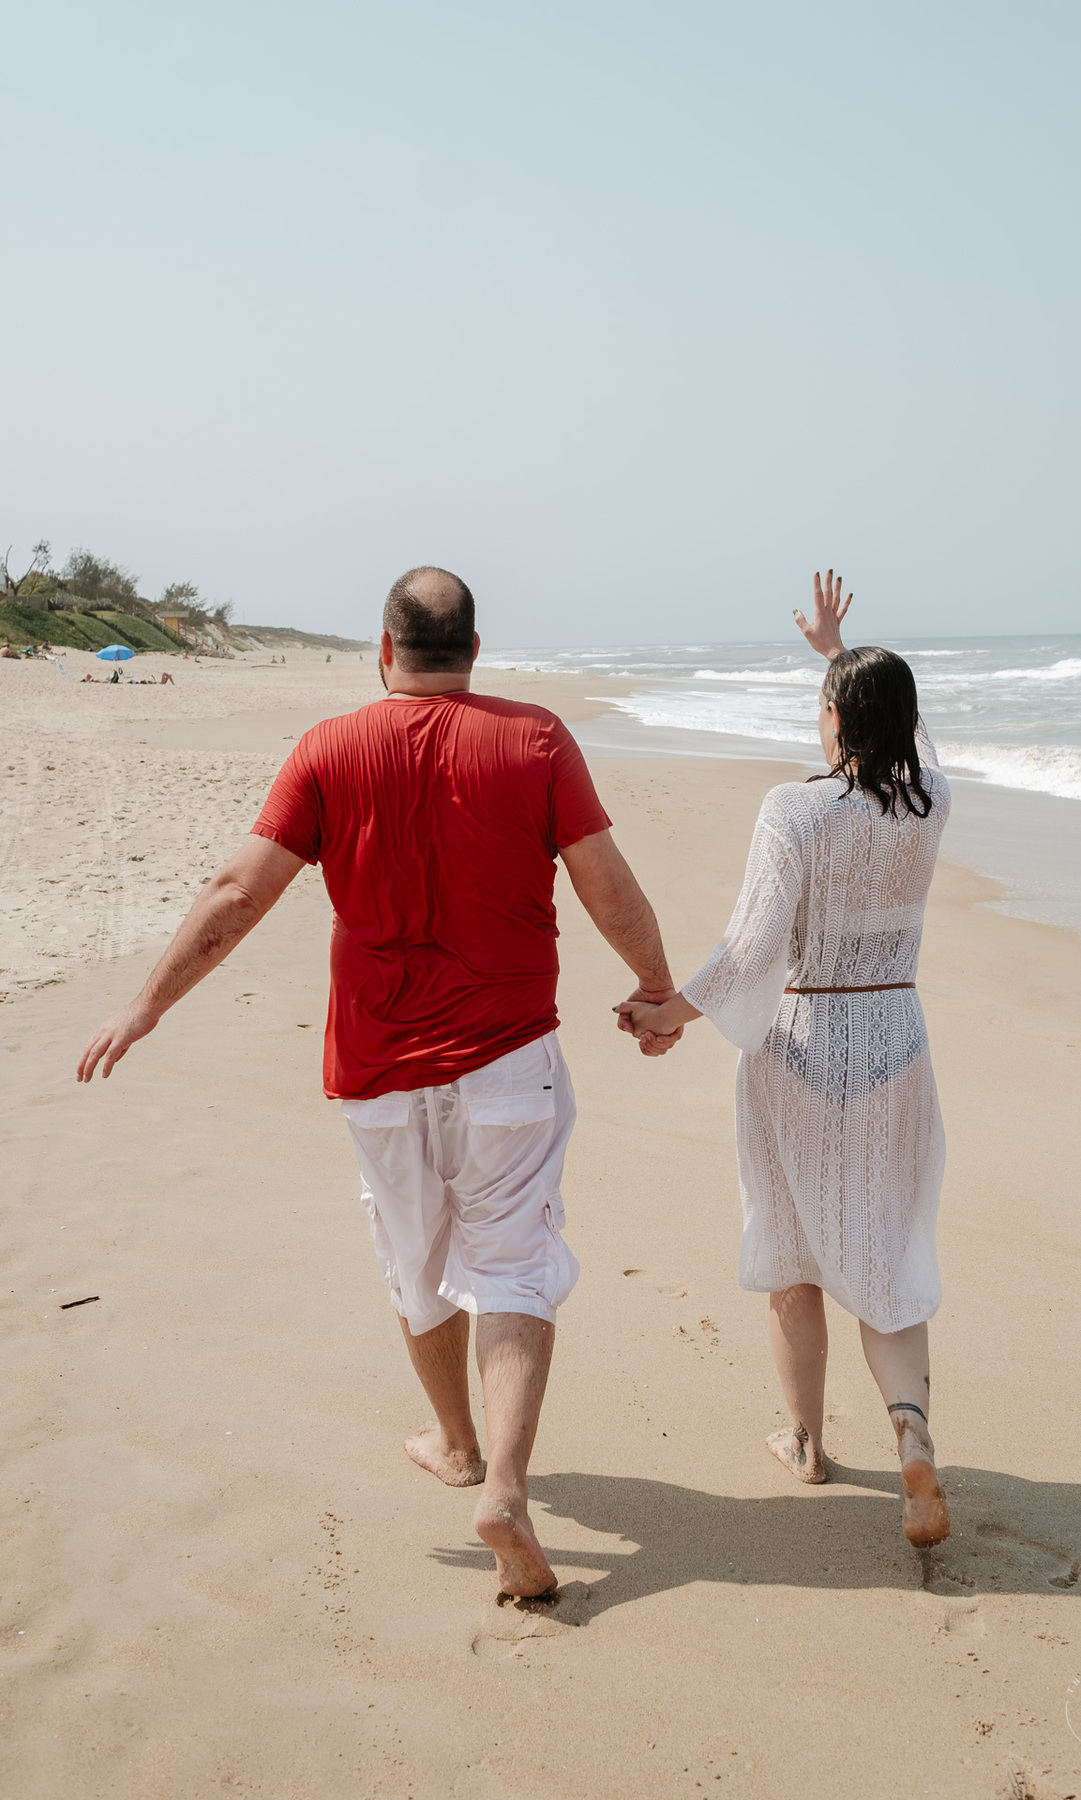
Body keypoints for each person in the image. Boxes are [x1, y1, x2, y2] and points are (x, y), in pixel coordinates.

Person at [77, 566, 677, 1597]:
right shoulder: (534, 740)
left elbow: (239, 889)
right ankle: (505, 1485)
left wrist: (149, 1003)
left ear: (385, 649)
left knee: (417, 1257)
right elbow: (605, 882)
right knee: (514, 1267)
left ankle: (455, 1445)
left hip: (377, 1069)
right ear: (475, 651)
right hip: (508, 1058)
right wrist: (657, 987)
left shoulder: (328, 748)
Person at [619, 572, 952, 1550]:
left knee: (794, 1257)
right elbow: (921, 746)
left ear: (835, 719)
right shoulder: (930, 805)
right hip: (895, 1043)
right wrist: (842, 656)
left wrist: (668, 1009)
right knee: (885, 1252)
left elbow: (755, 948)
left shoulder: (795, 812)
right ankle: (913, 1438)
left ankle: (806, 1444)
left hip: (802, 1048)